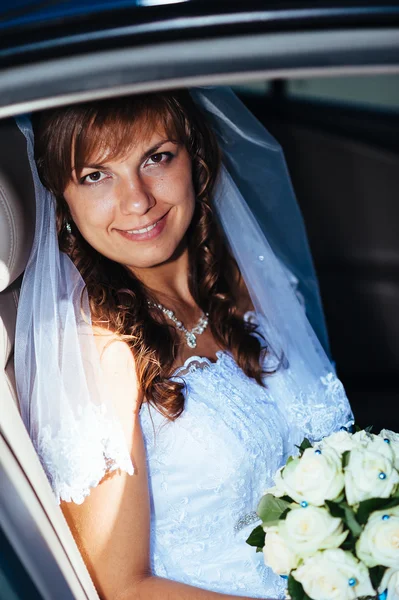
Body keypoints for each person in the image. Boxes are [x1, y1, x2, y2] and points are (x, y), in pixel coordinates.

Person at [15, 87, 354, 600]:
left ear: (193, 158)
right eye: (96, 175)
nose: (138, 200)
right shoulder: (101, 352)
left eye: (156, 158)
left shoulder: (238, 280)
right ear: (62, 197)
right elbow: (122, 588)